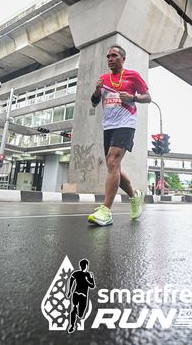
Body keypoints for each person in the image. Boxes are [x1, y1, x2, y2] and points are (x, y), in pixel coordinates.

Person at [87, 45, 151, 226]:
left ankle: (106, 211)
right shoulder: (104, 79)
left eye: (114, 55)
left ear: (123, 58)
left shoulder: (133, 76)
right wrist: (97, 91)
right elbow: (94, 103)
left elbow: (148, 97)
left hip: (126, 123)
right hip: (108, 126)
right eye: (108, 56)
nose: (110, 59)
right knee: (113, 165)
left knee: (113, 161)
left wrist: (133, 98)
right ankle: (134, 195)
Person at [67, 259, 95, 333]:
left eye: (84, 266)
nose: (84, 267)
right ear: (83, 266)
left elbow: (92, 286)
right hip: (78, 294)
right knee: (74, 309)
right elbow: (71, 280)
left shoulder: (88, 274)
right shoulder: (77, 273)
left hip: (82, 296)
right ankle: (72, 325)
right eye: (84, 266)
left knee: (80, 315)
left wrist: (87, 280)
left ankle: (77, 313)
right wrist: (69, 291)